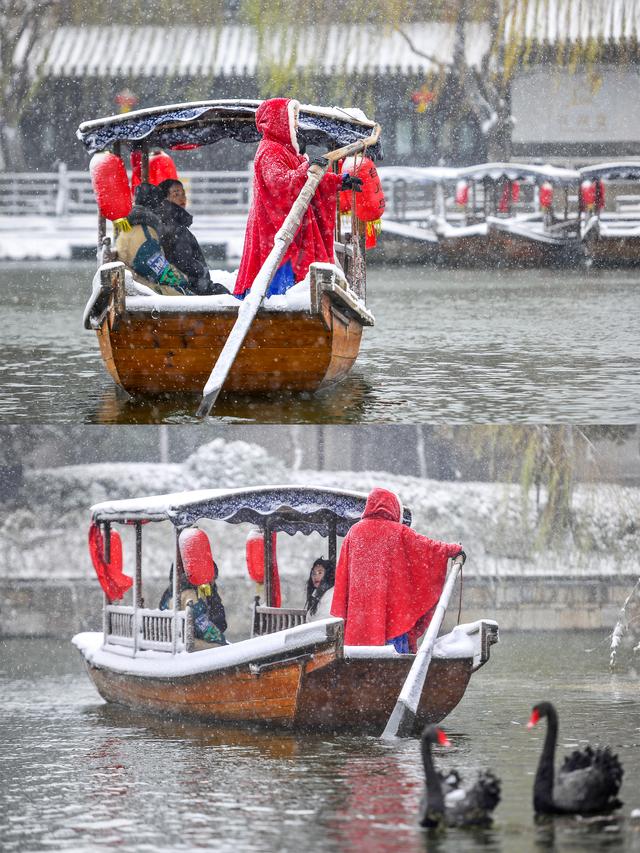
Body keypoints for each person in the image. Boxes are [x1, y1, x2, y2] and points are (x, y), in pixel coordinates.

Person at [233, 97, 361, 298]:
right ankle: (280, 304)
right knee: (279, 280)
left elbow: (303, 181)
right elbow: (280, 184)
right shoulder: (269, 150)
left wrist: (337, 182)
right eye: (292, 117)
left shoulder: (285, 150)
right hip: (275, 228)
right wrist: (307, 168)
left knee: (292, 271)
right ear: (278, 120)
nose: (295, 122)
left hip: (291, 227)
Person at [331, 487, 465, 653]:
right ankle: (394, 672)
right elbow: (429, 549)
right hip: (392, 617)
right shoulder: (397, 532)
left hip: (359, 619)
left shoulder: (354, 532)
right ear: (392, 508)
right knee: (394, 659)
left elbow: (342, 575)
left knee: (360, 659)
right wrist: (452, 549)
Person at [115, 183, 190, 295]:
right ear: (156, 205)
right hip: (143, 293)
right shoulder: (145, 234)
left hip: (134, 284)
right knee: (185, 294)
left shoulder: (131, 225)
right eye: (162, 204)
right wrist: (183, 281)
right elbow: (163, 274)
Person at [157, 179, 228, 296]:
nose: (182, 198)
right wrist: (201, 271)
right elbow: (182, 262)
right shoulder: (173, 226)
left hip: (188, 285)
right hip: (190, 287)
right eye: (176, 194)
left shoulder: (172, 222)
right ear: (165, 199)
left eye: (183, 194)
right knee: (225, 295)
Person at [159, 561, 228, 647]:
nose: (213, 581)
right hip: (184, 644)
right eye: (212, 577)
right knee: (219, 646)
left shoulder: (170, 593)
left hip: (169, 640)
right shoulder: (190, 595)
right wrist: (221, 641)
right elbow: (204, 625)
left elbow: (220, 621)